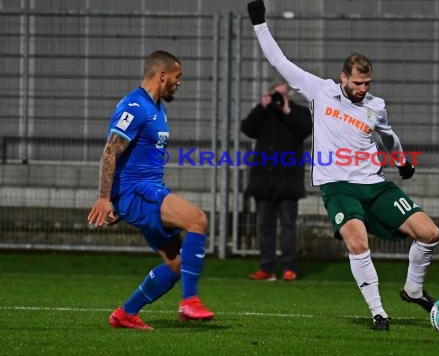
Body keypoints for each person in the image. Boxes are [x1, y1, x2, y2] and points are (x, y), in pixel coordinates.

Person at [246, 0, 439, 331]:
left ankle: (413, 290)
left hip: (375, 184)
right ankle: (379, 311)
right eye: (357, 84)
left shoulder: (376, 106)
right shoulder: (320, 91)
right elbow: (280, 61)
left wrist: (403, 162)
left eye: (367, 84)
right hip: (337, 186)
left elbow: (389, 137)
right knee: (357, 242)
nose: (363, 90)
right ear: (343, 78)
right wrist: (259, 24)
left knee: (430, 233)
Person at [87, 50, 214, 330]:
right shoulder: (135, 106)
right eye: (178, 78)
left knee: (177, 265)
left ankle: (125, 313)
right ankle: (189, 301)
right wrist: (106, 198)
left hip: (145, 191)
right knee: (197, 220)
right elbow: (110, 151)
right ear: (163, 75)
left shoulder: (157, 107)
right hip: (137, 192)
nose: (179, 84)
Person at [241, 81, 312, 281]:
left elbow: (304, 130)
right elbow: (247, 128)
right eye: (276, 94)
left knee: (288, 226)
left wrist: (287, 109)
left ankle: (289, 267)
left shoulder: (299, 112)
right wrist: (262, 107)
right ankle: (267, 268)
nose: (278, 99)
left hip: (288, 181)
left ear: (289, 94)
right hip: (263, 180)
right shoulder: (264, 112)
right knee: (265, 227)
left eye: (282, 94)